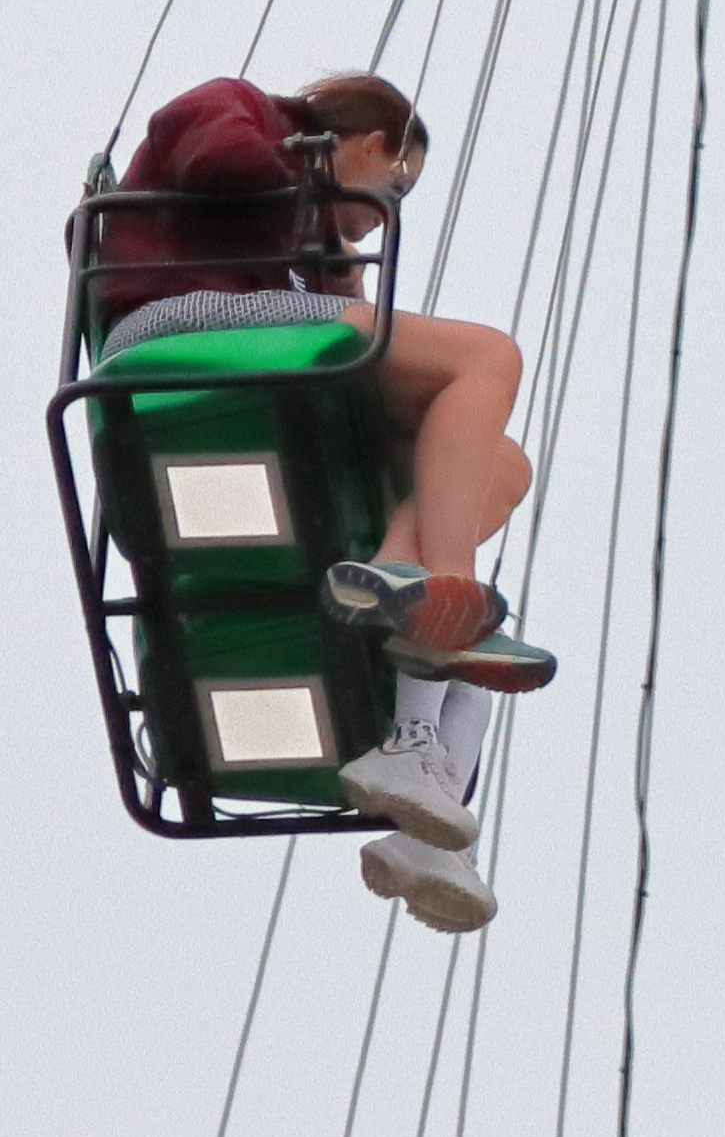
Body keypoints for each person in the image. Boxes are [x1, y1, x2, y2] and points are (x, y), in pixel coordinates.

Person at [87, 71, 546, 932]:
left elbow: (349, 323)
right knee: (487, 357)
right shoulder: (244, 112)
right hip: (184, 316)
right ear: (367, 140)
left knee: (501, 464)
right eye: (392, 186)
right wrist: (322, 200)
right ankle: (432, 584)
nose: (382, 215)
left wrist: (335, 263)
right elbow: (219, 159)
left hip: (260, 332)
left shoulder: (299, 239)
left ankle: (427, 809)